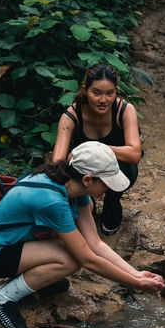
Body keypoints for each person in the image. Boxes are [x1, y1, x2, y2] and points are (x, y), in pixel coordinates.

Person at [0, 141, 164, 328]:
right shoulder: (52, 201)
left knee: (72, 249)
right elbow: (87, 259)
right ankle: (0, 301)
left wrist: (136, 273)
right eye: (106, 182)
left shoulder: (73, 186)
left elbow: (95, 242)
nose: (110, 189)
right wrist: (135, 283)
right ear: (88, 179)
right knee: (71, 259)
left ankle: (36, 280)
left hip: (16, 243)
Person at [52, 63, 142, 235]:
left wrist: (94, 148)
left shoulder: (124, 110)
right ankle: (86, 201)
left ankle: (113, 200)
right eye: (97, 93)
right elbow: (57, 162)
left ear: (116, 91)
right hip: (84, 173)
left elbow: (135, 154)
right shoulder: (71, 116)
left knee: (128, 168)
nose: (103, 100)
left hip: (119, 168)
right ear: (85, 90)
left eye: (109, 93)